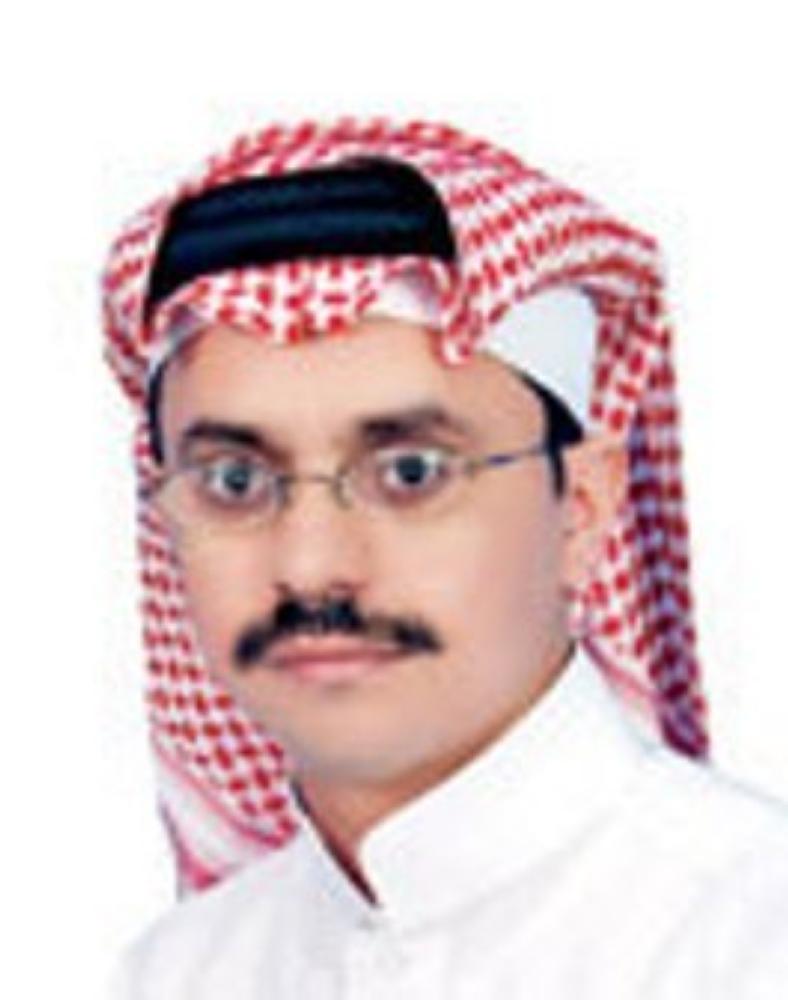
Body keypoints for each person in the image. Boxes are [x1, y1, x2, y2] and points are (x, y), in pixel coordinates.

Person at [104, 118, 788, 998]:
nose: (311, 566)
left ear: (582, 509)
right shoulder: (176, 973)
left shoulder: (753, 941)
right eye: (234, 481)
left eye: (410, 473)